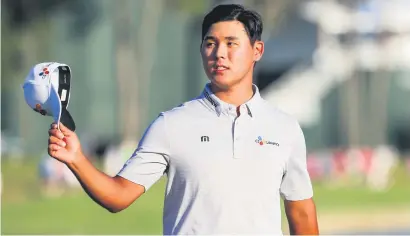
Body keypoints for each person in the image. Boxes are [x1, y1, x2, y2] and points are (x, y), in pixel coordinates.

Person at [48, 4, 319, 235]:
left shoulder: (285, 128)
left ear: (257, 50)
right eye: (210, 43)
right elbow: (118, 196)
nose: (219, 53)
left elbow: (303, 217)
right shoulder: (171, 125)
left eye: (231, 43)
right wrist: (77, 159)